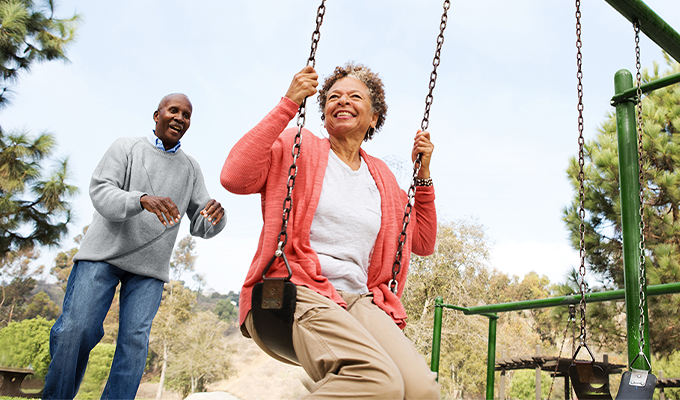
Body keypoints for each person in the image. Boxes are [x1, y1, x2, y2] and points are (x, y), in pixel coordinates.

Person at [221, 63, 439, 399]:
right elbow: (234, 177)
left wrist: (422, 175)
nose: (342, 101)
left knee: (421, 390)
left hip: (358, 299)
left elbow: (422, 241)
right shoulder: (297, 145)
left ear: (374, 118)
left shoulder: (380, 177)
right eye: (333, 97)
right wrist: (288, 104)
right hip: (296, 286)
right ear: (323, 113)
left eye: (355, 96)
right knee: (375, 380)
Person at [43, 93, 227, 400]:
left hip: (149, 269)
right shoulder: (126, 147)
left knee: (134, 342)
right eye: (174, 110)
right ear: (156, 115)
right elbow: (101, 191)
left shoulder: (191, 169)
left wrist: (215, 218)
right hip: (102, 255)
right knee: (76, 330)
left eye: (187, 115)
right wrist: (140, 199)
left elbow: (200, 223)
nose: (180, 118)